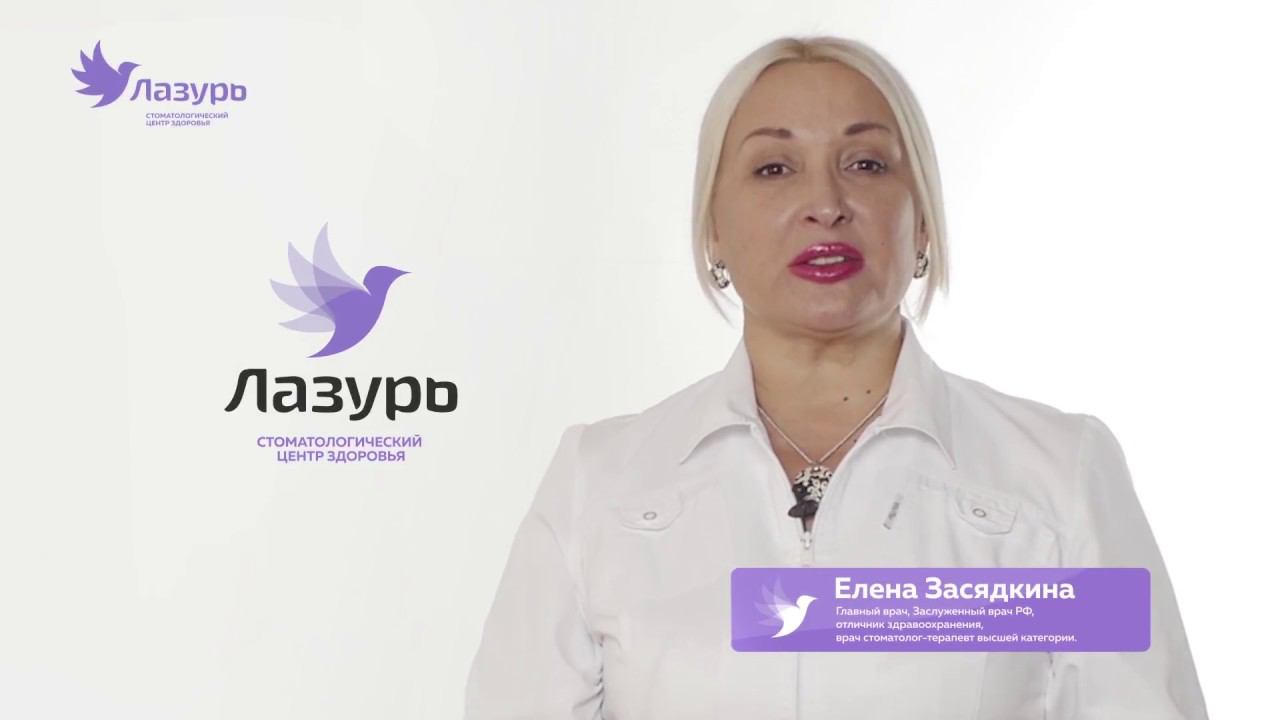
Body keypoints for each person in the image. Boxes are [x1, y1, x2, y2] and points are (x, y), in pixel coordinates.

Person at [463, 35, 1209, 719]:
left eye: (866, 164)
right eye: (774, 168)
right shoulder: (600, 483)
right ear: (713, 228)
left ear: (923, 220)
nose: (825, 205)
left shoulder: (1058, 475)